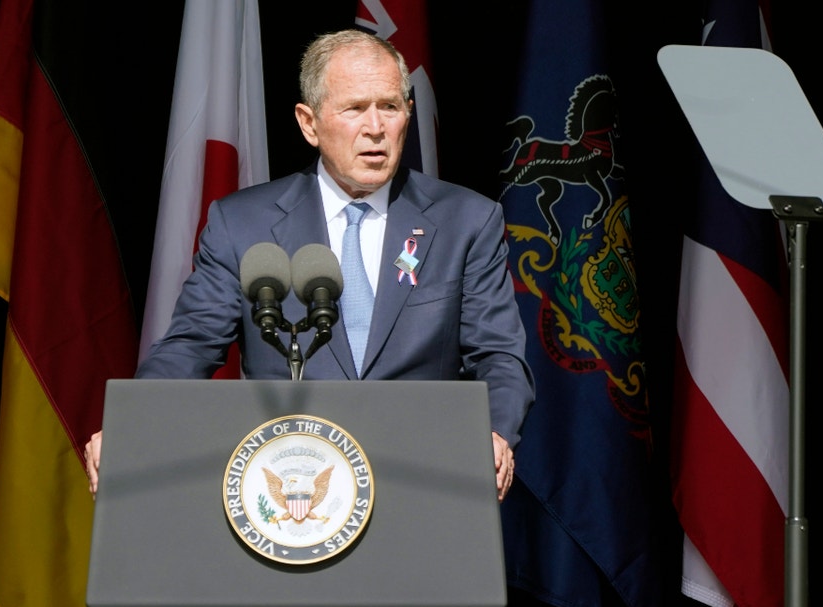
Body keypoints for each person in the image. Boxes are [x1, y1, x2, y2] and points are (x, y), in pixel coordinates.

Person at [85, 29, 534, 501]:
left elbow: (499, 356)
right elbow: (190, 346)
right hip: (293, 487)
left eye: (390, 106)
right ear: (309, 123)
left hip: (425, 481)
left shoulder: (467, 221)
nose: (376, 128)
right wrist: (131, 425)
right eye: (355, 108)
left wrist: (494, 432)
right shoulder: (243, 224)